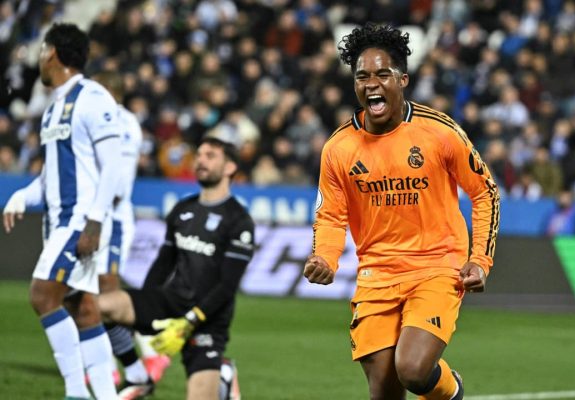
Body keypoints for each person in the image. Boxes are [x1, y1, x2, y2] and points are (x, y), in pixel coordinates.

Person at [303, 23, 500, 400]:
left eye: (382, 74)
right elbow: (330, 214)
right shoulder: (339, 148)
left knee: (411, 369)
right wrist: (326, 257)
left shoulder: (439, 132)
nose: (371, 84)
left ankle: (450, 390)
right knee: (384, 392)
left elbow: (485, 192)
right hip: (376, 274)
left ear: (403, 79)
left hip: (436, 266)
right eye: (362, 76)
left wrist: (479, 260)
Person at [2, 23, 121, 399]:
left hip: (80, 220)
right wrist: (23, 196)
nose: (39, 57)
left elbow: (113, 165)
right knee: (83, 309)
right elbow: (51, 176)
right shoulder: (53, 109)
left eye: (41, 50)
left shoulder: (93, 97)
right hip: (58, 222)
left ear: (52, 53)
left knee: (42, 296)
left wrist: (96, 222)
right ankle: (106, 394)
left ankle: (76, 392)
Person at [99, 137, 254, 400]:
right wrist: (144, 305)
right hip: (170, 302)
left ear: (230, 167)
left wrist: (189, 322)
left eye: (210, 155)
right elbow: (163, 262)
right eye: (199, 154)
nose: (200, 160)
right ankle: (138, 376)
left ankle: (223, 373)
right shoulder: (184, 208)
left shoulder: (238, 220)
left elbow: (228, 286)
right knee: (97, 306)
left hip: (207, 320)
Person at [92, 71, 163, 398]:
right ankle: (130, 359)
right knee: (93, 294)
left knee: (106, 295)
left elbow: (118, 178)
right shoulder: (124, 121)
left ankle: (143, 354)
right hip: (101, 215)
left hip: (112, 217)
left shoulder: (119, 122)